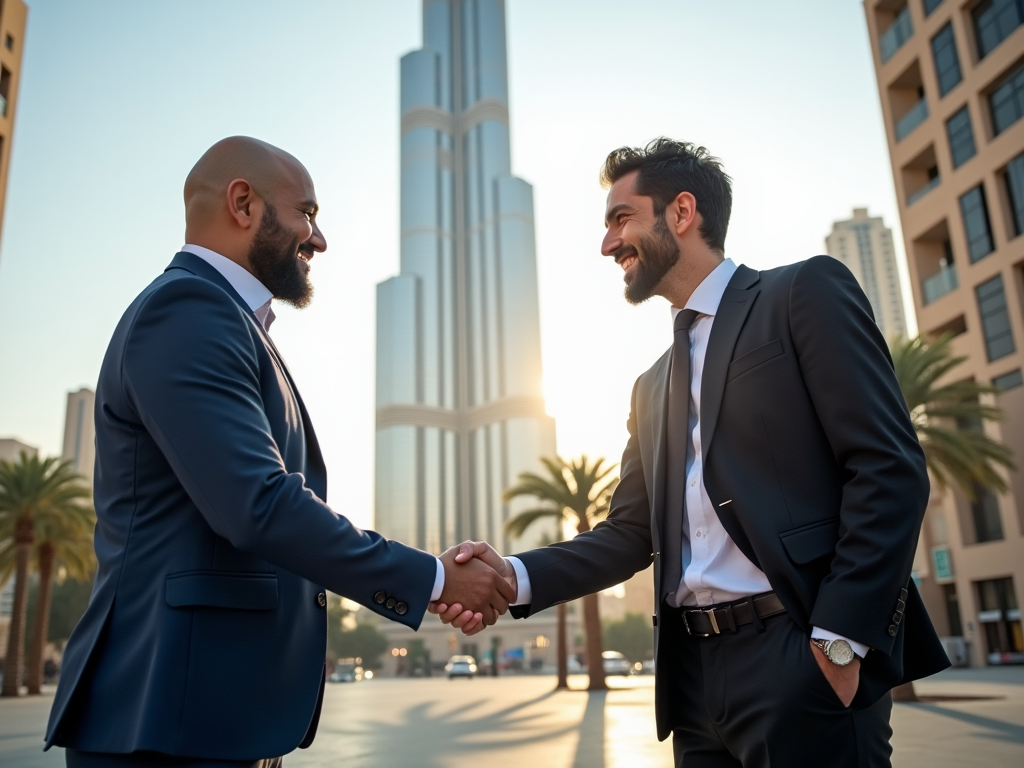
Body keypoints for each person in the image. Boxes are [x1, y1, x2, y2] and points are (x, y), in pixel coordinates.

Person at [434, 139, 950, 767]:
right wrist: (511, 576)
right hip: (694, 685)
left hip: (801, 661)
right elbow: (627, 534)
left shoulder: (801, 294)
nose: (607, 245)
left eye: (621, 218)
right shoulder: (652, 385)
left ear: (682, 212)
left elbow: (889, 469)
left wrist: (839, 642)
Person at [45, 137, 514, 767]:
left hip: (215, 719)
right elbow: (258, 504)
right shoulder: (188, 311)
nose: (318, 239)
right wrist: (430, 577)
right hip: (169, 717)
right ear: (243, 203)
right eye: (307, 213)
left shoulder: (226, 321)